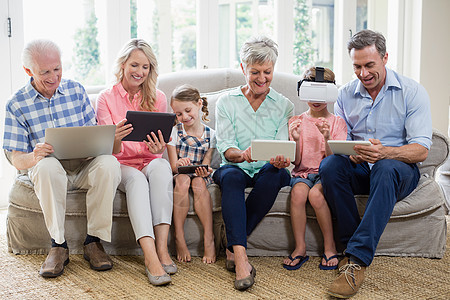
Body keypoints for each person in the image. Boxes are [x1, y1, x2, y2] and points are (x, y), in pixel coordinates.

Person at [319, 30, 432, 298]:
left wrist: (386, 152)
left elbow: (421, 149)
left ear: (385, 58)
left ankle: (357, 259)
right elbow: (341, 140)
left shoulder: (411, 91)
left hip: (398, 170)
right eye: (357, 66)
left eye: (370, 65)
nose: (363, 73)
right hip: (362, 167)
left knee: (385, 166)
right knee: (331, 166)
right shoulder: (345, 94)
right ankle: (348, 246)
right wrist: (351, 153)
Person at [2, 39, 121, 278]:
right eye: (45, 71)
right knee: (46, 166)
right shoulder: (16, 104)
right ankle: (58, 245)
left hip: (83, 164)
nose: (53, 76)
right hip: (47, 169)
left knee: (109, 163)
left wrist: (96, 144)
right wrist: (34, 155)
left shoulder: (76, 91)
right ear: (29, 71)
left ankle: (93, 242)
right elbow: (16, 159)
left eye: (57, 69)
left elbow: (94, 133)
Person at [213, 36, 294, 291]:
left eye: (267, 72)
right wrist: (243, 155)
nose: (262, 78)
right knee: (230, 178)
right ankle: (240, 259)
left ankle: (231, 245)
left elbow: (282, 147)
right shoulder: (226, 102)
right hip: (237, 166)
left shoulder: (284, 106)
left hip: (267, 170)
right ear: (242, 69)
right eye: (255, 72)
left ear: (273, 70)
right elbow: (226, 148)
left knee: (275, 175)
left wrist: (281, 160)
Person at [96, 39, 175, 286]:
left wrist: (159, 147)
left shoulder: (158, 97)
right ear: (123, 64)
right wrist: (116, 139)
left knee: (162, 168)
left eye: (146, 67)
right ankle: (150, 257)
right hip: (121, 164)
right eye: (134, 65)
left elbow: (161, 147)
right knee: (138, 181)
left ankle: (162, 249)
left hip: (149, 160)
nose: (139, 72)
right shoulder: (106, 98)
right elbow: (105, 150)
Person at [282, 67, 347, 271]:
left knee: (316, 196)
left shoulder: (337, 122)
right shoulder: (296, 121)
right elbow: (297, 162)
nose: (316, 100)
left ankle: (330, 246)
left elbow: (333, 161)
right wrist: (297, 139)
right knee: (298, 194)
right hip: (302, 172)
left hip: (324, 174)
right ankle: (300, 248)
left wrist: (327, 137)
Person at [167, 84, 216, 264]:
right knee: (181, 181)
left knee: (198, 184)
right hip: (180, 174)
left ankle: (208, 238)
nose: (184, 117)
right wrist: (179, 163)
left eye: (188, 111)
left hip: (200, 176)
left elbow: (206, 164)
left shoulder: (211, 135)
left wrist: (206, 170)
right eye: (179, 114)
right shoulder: (174, 132)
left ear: (199, 104)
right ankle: (179, 236)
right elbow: (173, 166)